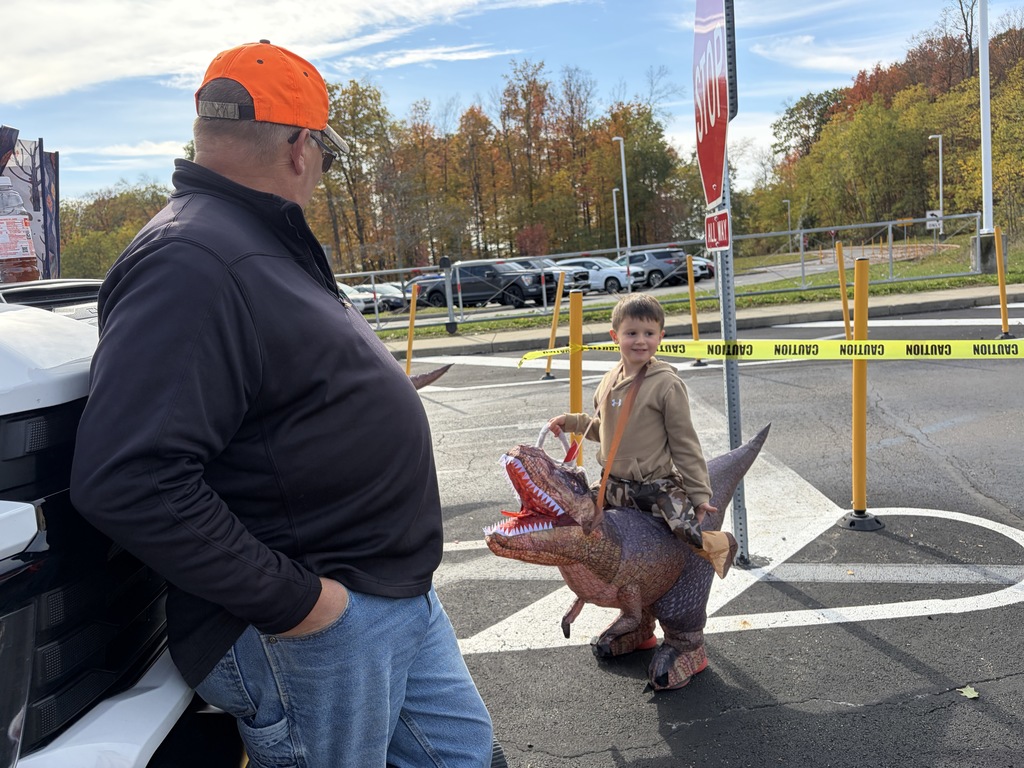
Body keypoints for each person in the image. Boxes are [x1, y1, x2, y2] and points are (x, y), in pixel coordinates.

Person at [70, 40, 493, 767]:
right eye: (324, 158)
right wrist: (305, 606)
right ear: (302, 146)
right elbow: (129, 476)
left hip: (389, 597)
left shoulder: (251, 240)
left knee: (459, 754)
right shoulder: (191, 258)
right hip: (318, 625)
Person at [546, 292, 736, 578]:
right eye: (631, 333)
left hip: (654, 486)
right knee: (576, 516)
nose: (640, 340)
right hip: (613, 486)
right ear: (615, 336)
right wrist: (572, 422)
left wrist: (699, 494)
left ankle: (717, 549)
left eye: (649, 333)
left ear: (661, 336)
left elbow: (684, 444)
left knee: (685, 529)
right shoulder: (608, 381)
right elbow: (604, 429)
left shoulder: (666, 384)